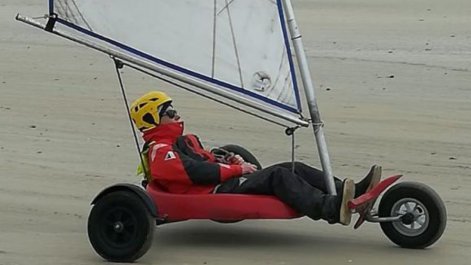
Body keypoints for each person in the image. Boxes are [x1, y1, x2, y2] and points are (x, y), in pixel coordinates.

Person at [130, 91, 381, 225]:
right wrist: (236, 171)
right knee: (279, 176)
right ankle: (331, 209)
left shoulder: (181, 140)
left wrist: (232, 160)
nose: (176, 115)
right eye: (169, 112)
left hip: (220, 182)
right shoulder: (161, 150)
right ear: (152, 119)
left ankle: (349, 192)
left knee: (295, 168)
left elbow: (207, 159)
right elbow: (195, 172)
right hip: (214, 191)